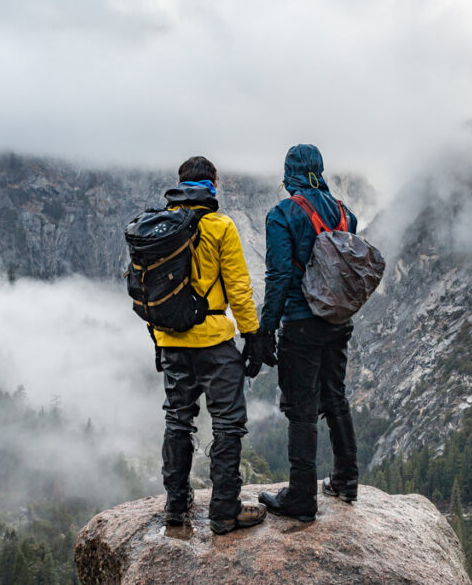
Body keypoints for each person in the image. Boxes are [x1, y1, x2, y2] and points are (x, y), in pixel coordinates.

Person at [154, 156, 269, 535]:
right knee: (228, 425)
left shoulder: (158, 228)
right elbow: (238, 287)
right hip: (215, 342)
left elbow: (150, 294)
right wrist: (252, 336)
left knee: (177, 421)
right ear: (213, 185)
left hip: (170, 341)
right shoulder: (220, 226)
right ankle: (224, 512)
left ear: (180, 184)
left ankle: (176, 506)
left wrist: (159, 340)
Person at [257, 144, 360, 522]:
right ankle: (346, 481)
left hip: (301, 324)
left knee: (301, 409)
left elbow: (280, 276)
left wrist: (266, 329)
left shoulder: (283, 215)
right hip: (338, 321)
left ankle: (301, 498)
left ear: (290, 174)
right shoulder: (346, 214)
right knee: (335, 397)